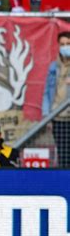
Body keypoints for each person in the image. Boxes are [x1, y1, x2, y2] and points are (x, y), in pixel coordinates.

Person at [42, 31, 70, 168]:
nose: (65, 47)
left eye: (68, 44)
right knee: (64, 155)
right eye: (62, 44)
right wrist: (47, 115)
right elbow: (47, 92)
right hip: (58, 117)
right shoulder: (54, 67)